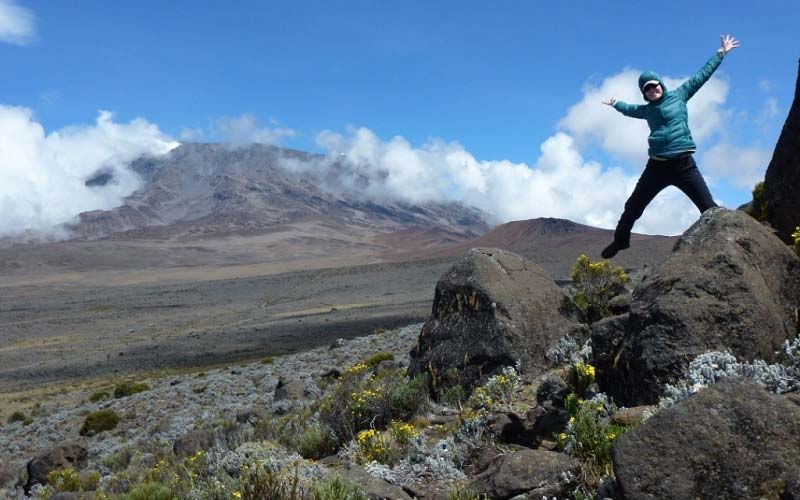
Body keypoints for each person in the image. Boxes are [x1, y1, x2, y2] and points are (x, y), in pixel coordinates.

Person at [600, 34, 740, 259]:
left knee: (710, 209)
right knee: (632, 207)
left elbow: (701, 76)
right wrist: (616, 103)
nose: (652, 89)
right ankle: (620, 242)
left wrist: (721, 53)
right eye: (647, 89)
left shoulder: (680, 95)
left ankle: (728, 250)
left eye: (654, 85)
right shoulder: (647, 110)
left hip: (684, 165)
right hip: (656, 167)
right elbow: (629, 109)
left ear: (661, 85)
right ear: (644, 93)